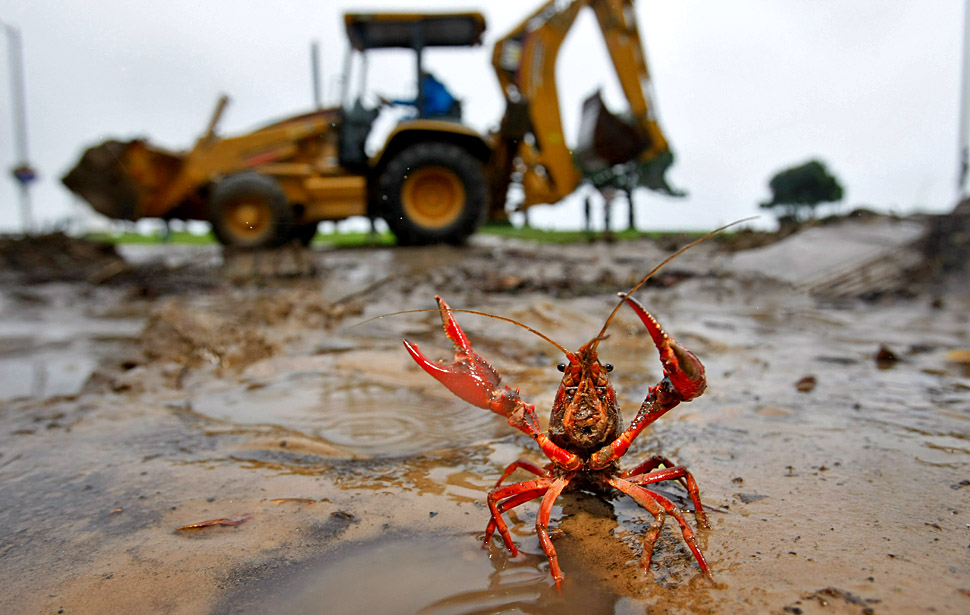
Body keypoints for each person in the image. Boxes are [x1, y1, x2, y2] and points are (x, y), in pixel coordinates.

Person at [383, 72, 457, 119]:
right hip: (439, 115)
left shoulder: (429, 86)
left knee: (404, 121)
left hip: (433, 115)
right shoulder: (439, 87)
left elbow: (418, 101)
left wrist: (394, 102)